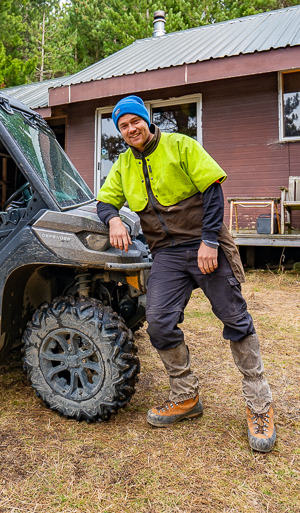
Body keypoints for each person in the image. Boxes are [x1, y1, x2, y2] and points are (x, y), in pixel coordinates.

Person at [96, 95, 276, 452]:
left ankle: (259, 406)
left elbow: (212, 190)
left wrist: (209, 242)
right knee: (159, 323)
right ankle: (186, 396)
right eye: (123, 126)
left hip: (204, 244)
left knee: (235, 320)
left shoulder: (180, 145)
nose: (131, 129)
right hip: (166, 254)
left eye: (135, 121)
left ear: (146, 119)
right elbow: (105, 200)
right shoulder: (123, 165)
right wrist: (113, 218)